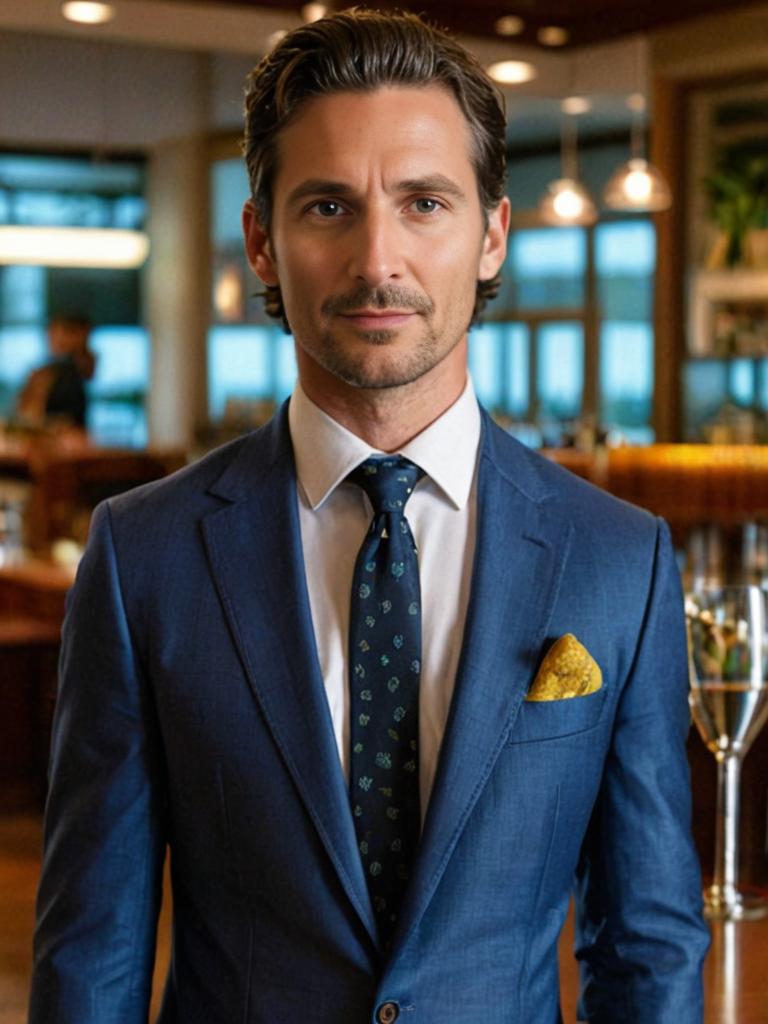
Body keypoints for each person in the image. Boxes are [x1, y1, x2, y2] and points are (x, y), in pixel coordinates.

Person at [29, 10, 709, 1022]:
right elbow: (92, 956)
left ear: (491, 234)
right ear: (262, 240)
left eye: (424, 202)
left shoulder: (621, 559)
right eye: (327, 207)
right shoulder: (142, 557)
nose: (377, 258)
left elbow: (648, 943)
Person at [16, 314, 95, 429]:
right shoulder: (44, 372)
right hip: (51, 432)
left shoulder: (79, 365)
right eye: (53, 333)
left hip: (72, 431)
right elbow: (28, 412)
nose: (54, 339)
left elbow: (89, 371)